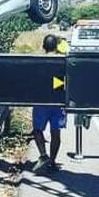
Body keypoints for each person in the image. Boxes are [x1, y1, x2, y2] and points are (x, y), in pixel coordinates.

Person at [32, 33, 66, 172]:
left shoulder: (38, 61)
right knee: (56, 133)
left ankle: (43, 155)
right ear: (56, 46)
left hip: (41, 101)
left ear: (44, 46)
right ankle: (52, 161)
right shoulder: (63, 61)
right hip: (58, 101)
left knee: (37, 130)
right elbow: (63, 82)